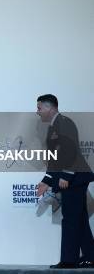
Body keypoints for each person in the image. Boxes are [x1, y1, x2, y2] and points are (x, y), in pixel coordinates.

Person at [35, 94, 94, 269]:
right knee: (79, 219)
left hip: (74, 178)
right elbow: (54, 159)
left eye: (39, 108)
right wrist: (46, 181)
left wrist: (66, 175)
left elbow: (71, 150)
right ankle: (91, 256)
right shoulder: (53, 127)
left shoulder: (65, 123)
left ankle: (69, 261)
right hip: (73, 177)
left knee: (70, 219)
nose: (37, 112)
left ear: (50, 107)